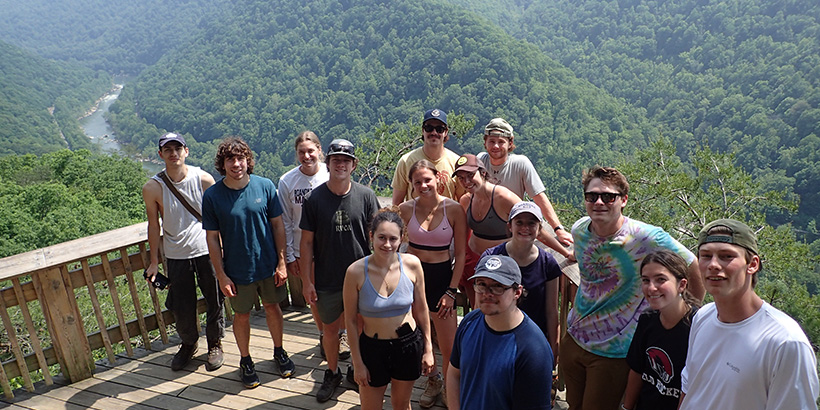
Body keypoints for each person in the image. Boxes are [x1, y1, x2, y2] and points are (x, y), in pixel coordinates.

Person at [560, 166, 705, 410]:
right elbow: (586, 256)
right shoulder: (579, 230)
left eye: (608, 196)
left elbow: (692, 263)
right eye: (591, 196)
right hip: (574, 338)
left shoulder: (645, 237)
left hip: (613, 351)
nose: (599, 202)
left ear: (623, 200)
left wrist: (689, 312)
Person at [679, 219, 819, 409]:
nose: (713, 264)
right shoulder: (703, 317)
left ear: (752, 264)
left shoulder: (785, 342)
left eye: (726, 256)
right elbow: (690, 389)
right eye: (705, 256)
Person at [202, 136, 295, 388]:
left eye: (240, 158)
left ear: (248, 160)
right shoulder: (212, 196)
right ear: (222, 164)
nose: (236, 164)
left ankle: (279, 351)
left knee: (273, 308)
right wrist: (221, 275)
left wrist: (282, 263)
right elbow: (212, 239)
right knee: (241, 316)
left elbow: (278, 225)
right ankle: (245, 360)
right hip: (236, 269)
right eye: (230, 159)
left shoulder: (265, 186)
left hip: (267, 264)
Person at [299, 138, 381, 403]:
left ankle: (354, 370)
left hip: (361, 277)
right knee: (331, 330)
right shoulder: (314, 199)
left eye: (346, 160)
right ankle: (332, 372)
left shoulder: (366, 196)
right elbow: (307, 242)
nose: (341, 165)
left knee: (359, 328)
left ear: (354, 165)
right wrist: (307, 282)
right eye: (336, 160)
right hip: (327, 276)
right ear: (328, 163)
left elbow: (378, 236)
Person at [142, 132, 225, 372]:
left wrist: (224, 249)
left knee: (215, 298)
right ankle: (189, 343)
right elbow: (153, 225)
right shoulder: (153, 187)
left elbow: (219, 217)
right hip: (176, 253)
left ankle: (214, 343)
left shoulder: (204, 179)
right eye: (168, 149)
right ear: (160, 155)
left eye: (177, 148)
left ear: (186, 151)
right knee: (181, 304)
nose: (173, 153)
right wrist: (154, 261)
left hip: (206, 249)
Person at [343, 209, 435, 410]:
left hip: (408, 344)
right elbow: (350, 320)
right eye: (381, 237)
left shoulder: (412, 265)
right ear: (371, 236)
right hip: (373, 348)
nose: (387, 244)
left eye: (393, 239)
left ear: (401, 239)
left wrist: (428, 348)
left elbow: (421, 309)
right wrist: (357, 362)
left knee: (401, 405)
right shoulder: (355, 272)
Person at [454, 154, 571, 308]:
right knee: (478, 307)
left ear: (482, 173)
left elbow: (535, 228)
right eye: (461, 178)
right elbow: (463, 234)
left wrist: (565, 253)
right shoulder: (466, 201)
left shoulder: (504, 197)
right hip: (474, 263)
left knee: (507, 308)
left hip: (503, 262)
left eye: (470, 175)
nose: (467, 182)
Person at [397, 159, 467, 408]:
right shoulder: (405, 210)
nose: (423, 185)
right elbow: (393, 246)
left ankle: (450, 387)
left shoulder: (454, 209)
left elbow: (461, 254)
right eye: (417, 182)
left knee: (448, 343)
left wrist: (451, 290)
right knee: (420, 338)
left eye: (427, 179)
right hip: (414, 280)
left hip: (441, 279)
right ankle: (434, 379)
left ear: (438, 178)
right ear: (411, 184)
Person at [277, 131, 350, 361]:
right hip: (304, 249)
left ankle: (343, 334)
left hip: (333, 247)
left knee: (344, 294)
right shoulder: (287, 181)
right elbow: (286, 221)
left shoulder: (331, 175)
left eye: (311, 151)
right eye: (301, 152)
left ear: (320, 151)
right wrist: (289, 256)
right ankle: (323, 334)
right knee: (315, 295)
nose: (307, 156)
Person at [447, 254, 553, 410]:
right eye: (481, 284)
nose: (487, 293)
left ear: (517, 292)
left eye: (497, 286)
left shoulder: (533, 351)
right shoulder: (469, 322)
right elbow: (454, 374)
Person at [621, 250, 700, 410]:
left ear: (682, 284)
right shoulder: (648, 319)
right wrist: (626, 407)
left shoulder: (698, 327)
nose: (651, 288)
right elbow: (637, 370)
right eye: (646, 280)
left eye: (661, 280)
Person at [482, 201, 561, 357]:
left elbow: (552, 311)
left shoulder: (547, 263)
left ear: (539, 229)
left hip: (533, 341)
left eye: (531, 223)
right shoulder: (491, 258)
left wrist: (553, 350)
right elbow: (481, 305)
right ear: (510, 226)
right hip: (496, 337)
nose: (525, 228)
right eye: (519, 222)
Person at [477, 118, 573, 245]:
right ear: (485, 143)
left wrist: (558, 229)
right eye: (492, 141)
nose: (495, 146)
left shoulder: (520, 164)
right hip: (484, 231)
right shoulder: (480, 161)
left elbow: (539, 197)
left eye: (501, 142)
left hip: (512, 233)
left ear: (510, 143)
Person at [391, 108, 465, 204]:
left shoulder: (456, 163)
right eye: (429, 128)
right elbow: (397, 204)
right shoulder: (406, 161)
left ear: (446, 132)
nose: (434, 133)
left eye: (439, 129)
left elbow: (462, 202)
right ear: (423, 130)